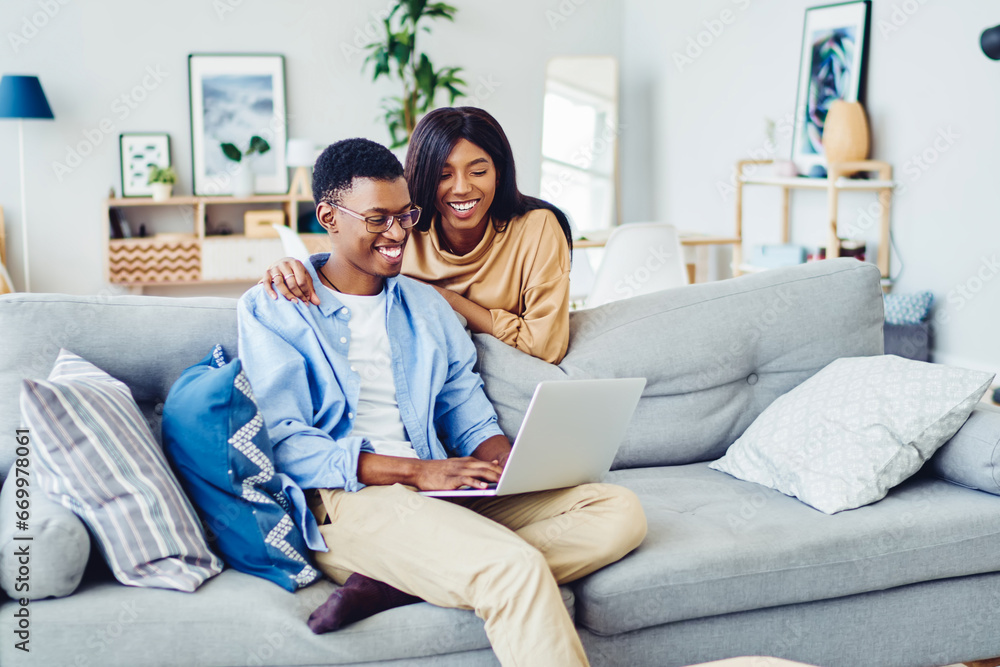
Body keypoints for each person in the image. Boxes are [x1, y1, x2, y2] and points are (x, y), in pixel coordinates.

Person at [238, 138, 646, 666]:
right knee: (512, 568)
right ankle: (456, 566)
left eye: (405, 215)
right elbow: (285, 443)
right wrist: (417, 470)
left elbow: (465, 407)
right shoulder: (278, 307)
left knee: (617, 510)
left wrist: (506, 463)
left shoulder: (426, 307)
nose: (397, 233)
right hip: (349, 497)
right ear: (328, 217)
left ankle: (403, 580)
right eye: (378, 219)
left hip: (440, 491)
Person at [261, 106, 573, 364]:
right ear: (422, 176)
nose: (462, 188)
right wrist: (294, 266)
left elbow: (545, 347)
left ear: (499, 173)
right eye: (443, 175)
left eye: (478, 172)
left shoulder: (538, 228)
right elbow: (347, 271)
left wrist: (447, 300)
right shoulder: (403, 228)